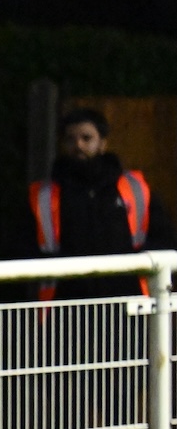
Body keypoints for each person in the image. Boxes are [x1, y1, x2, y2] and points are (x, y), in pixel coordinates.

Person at [29, 106, 167, 299]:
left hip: (128, 299)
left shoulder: (134, 188)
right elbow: (25, 247)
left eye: (86, 138)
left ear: (103, 143)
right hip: (68, 303)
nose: (78, 145)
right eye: (70, 139)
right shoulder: (44, 195)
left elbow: (163, 238)